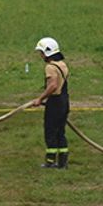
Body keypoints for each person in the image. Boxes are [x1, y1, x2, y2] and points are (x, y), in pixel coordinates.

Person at [31, 38, 70, 169]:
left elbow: (52, 86)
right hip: (64, 101)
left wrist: (40, 99)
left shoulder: (50, 67)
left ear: (47, 52)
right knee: (60, 132)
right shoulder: (62, 65)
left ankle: (50, 161)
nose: (40, 55)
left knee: (50, 132)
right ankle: (63, 162)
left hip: (55, 102)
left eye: (41, 52)